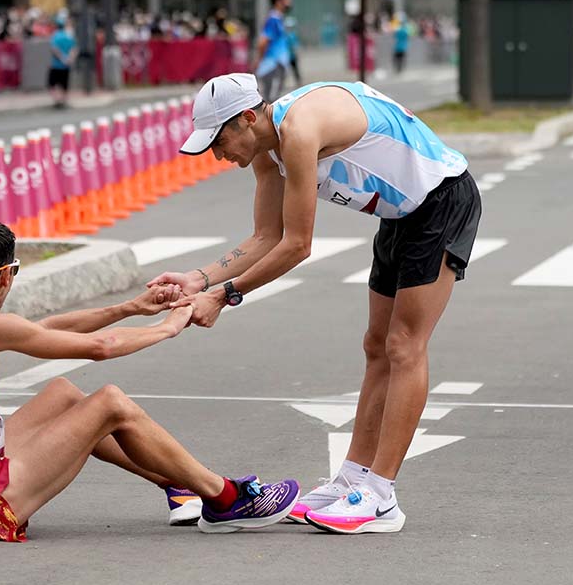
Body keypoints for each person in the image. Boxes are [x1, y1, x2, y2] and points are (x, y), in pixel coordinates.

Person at [160, 74, 481, 534]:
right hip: (399, 218)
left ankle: (382, 496)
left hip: (441, 202)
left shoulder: (299, 131)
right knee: (376, 346)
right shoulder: (265, 149)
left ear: (248, 118)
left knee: (405, 345)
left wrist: (225, 296)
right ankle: (353, 476)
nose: (217, 154)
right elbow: (265, 236)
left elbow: (296, 245)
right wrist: (199, 277)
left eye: (220, 140)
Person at [0, 220, 299, 542]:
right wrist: (169, 327)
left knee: (64, 393)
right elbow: (100, 348)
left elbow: (45, 328)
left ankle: (178, 483)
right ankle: (225, 499)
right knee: (109, 402)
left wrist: (129, 308)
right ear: (6, 276)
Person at [252, 0, 292, 102]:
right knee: (271, 99)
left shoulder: (279, 18)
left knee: (274, 96)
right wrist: (258, 60)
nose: (290, 2)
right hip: (272, 65)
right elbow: (263, 41)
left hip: (278, 64)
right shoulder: (273, 20)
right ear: (278, 1)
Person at [48, 16, 77, 109]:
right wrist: (70, 59)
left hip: (56, 65)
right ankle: (64, 100)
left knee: (53, 83)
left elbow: (54, 49)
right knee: (64, 84)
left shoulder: (55, 36)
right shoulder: (68, 36)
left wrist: (62, 58)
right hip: (66, 66)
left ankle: (57, 101)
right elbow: (74, 49)